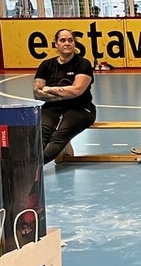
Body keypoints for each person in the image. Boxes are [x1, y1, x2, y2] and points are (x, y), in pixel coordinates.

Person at [32, 28, 96, 164]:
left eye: (70, 40)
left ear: (74, 43)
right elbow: (37, 93)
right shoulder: (46, 65)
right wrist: (63, 93)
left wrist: (50, 89)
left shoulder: (83, 64)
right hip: (52, 108)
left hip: (80, 108)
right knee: (41, 134)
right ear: (56, 44)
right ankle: (29, 164)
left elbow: (76, 91)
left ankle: (32, 167)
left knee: (58, 136)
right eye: (62, 40)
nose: (67, 43)